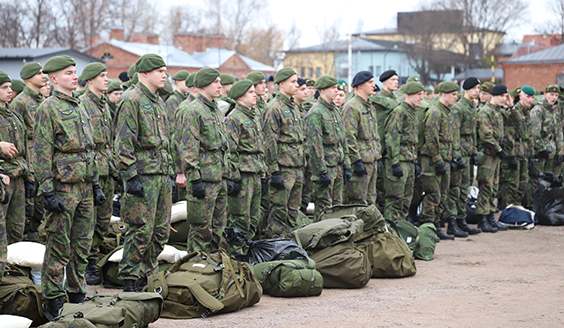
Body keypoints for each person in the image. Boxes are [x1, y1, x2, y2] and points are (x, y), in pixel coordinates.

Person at [34, 56, 106, 315]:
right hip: (63, 188)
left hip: (85, 186)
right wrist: (47, 189)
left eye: (75, 72)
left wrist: (96, 183)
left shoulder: (81, 106)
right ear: (53, 79)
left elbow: (90, 149)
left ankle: (77, 293)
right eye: (68, 73)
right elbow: (41, 152)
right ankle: (53, 298)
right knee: (59, 245)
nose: (75, 76)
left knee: (82, 245)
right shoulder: (48, 108)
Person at [114, 54, 172, 292]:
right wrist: (130, 176)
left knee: (160, 232)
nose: (164, 75)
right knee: (140, 230)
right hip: (143, 176)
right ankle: (130, 280)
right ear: (144, 73)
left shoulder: (157, 100)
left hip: (161, 173)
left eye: (165, 71)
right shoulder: (131, 100)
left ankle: (148, 275)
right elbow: (123, 144)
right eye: (159, 71)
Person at [177, 68, 230, 252]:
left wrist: (227, 172)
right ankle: (196, 268)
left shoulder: (215, 110)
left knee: (219, 226)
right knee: (201, 228)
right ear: (204, 84)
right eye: (215, 81)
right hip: (204, 179)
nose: (220, 85)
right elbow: (188, 148)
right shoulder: (193, 111)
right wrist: (194, 178)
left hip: (219, 176)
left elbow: (224, 145)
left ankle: (214, 265)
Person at [79, 63, 120, 286]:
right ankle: (85, 264)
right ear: (90, 80)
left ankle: (91, 259)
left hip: (106, 168)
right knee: (88, 221)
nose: (107, 79)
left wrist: (116, 170)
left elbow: (110, 142)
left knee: (103, 221)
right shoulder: (83, 104)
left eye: (107, 75)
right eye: (102, 76)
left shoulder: (104, 106)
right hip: (91, 170)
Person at [263, 68, 303, 238]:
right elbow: (269, 141)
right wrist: (274, 171)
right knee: (279, 211)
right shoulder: (274, 108)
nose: (297, 85)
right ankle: (276, 245)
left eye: (296, 81)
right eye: (293, 82)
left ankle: (291, 244)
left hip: (297, 166)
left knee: (293, 211)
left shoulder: (293, 107)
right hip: (283, 168)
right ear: (281, 84)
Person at [225, 79, 265, 241]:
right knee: (240, 217)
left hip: (255, 171)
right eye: (250, 92)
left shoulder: (253, 116)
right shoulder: (234, 118)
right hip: (243, 173)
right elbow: (230, 150)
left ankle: (246, 249)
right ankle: (236, 254)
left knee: (254, 217)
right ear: (240, 97)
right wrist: (234, 176)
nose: (254, 95)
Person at [418, 81, 458, 240]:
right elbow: (431, 138)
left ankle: (435, 226)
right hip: (432, 161)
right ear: (444, 94)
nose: (456, 97)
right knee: (432, 195)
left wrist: (453, 156)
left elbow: (451, 138)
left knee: (442, 194)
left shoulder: (448, 112)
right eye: (453, 95)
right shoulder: (435, 112)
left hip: (445, 158)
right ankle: (427, 228)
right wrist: (437, 159)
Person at [306, 75, 350, 220]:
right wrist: (321, 170)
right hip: (326, 168)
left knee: (337, 207)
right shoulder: (316, 112)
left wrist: (347, 164)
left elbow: (342, 139)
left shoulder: (335, 110)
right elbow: (315, 144)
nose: (337, 91)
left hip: (337, 165)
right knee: (324, 208)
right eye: (333, 88)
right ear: (323, 90)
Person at [10, 62, 46, 239]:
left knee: (40, 207)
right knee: (29, 208)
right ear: (29, 78)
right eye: (39, 73)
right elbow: (15, 137)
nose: (43, 76)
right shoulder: (20, 102)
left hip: (43, 158)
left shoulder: (43, 101)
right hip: (29, 160)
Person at [383, 82, 424, 221]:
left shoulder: (412, 112)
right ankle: (391, 232)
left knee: (406, 198)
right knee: (395, 199)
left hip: (410, 160)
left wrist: (415, 162)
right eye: (418, 95)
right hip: (400, 161)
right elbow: (392, 137)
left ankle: (400, 228)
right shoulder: (399, 112)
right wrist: (395, 162)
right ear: (409, 95)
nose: (421, 98)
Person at [476, 85, 512, 232]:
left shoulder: (498, 112)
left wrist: (511, 105)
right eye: (503, 96)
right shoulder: (486, 112)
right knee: (486, 186)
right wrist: (499, 149)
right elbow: (486, 135)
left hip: (495, 156)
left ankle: (491, 217)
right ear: (495, 96)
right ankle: (482, 219)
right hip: (488, 155)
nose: (505, 99)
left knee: (493, 187)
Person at [448, 77, 482, 235]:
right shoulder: (458, 108)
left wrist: (474, 152)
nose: (477, 91)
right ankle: (452, 221)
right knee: (455, 189)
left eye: (478, 88)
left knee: (465, 189)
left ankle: (462, 220)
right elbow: (454, 133)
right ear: (466, 90)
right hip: (459, 153)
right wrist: (456, 155)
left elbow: (473, 133)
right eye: (474, 88)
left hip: (467, 152)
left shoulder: (472, 107)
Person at [342, 71, 381, 205]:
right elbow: (348, 137)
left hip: (372, 160)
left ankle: (369, 227)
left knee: (371, 200)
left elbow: (375, 135)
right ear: (359, 86)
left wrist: (378, 156)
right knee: (358, 201)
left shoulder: (370, 107)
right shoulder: (351, 107)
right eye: (370, 82)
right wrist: (356, 160)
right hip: (360, 162)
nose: (373, 85)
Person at [529, 84, 564, 206]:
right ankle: (534, 207)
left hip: (553, 153)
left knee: (551, 181)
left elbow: (558, 132)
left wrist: (561, 152)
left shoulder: (555, 110)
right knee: (537, 181)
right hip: (541, 154)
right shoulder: (538, 110)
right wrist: (541, 149)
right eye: (551, 95)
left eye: (556, 95)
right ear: (545, 95)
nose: (554, 97)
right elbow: (534, 134)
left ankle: (547, 207)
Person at [516, 86, 536, 208]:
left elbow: (529, 135)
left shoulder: (527, 112)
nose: (530, 100)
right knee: (513, 186)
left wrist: (531, 153)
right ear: (520, 96)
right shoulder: (514, 111)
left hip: (524, 154)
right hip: (515, 154)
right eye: (528, 97)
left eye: (532, 98)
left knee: (523, 185)